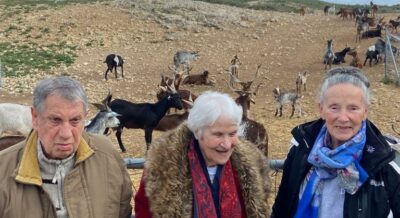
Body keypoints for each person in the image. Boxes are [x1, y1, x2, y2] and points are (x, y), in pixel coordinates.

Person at [272, 66, 400, 218]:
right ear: (321, 109)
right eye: (334, 107)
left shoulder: (384, 164)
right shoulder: (300, 151)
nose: (343, 118)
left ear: (365, 111)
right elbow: (282, 208)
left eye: (353, 108)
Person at [0, 76, 133, 218]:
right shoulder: (3, 169)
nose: (66, 134)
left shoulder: (108, 157)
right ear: (35, 118)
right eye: (55, 120)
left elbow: (123, 211)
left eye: (75, 120)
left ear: (85, 117)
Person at [134, 91, 270, 217]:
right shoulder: (163, 165)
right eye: (218, 134)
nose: (227, 144)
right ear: (198, 131)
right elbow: (144, 211)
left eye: (232, 133)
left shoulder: (250, 166)